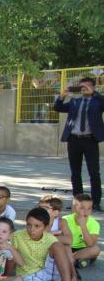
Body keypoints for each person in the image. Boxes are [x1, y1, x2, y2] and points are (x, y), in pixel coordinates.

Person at [54, 76, 104, 210]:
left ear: (93, 87)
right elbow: (58, 108)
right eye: (82, 86)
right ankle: (78, 203)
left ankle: (96, 203)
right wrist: (61, 96)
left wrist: (94, 93)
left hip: (90, 140)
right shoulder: (74, 101)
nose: (84, 88)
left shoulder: (97, 102)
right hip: (74, 140)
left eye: (87, 86)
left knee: (94, 172)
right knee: (75, 172)